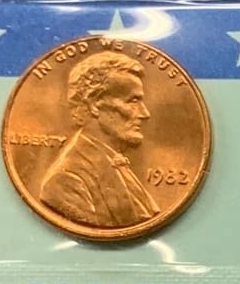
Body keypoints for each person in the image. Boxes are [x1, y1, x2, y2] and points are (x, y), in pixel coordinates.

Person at [38, 51, 161, 229]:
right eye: (133, 101)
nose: (145, 113)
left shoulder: (114, 162)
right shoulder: (66, 179)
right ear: (94, 105)